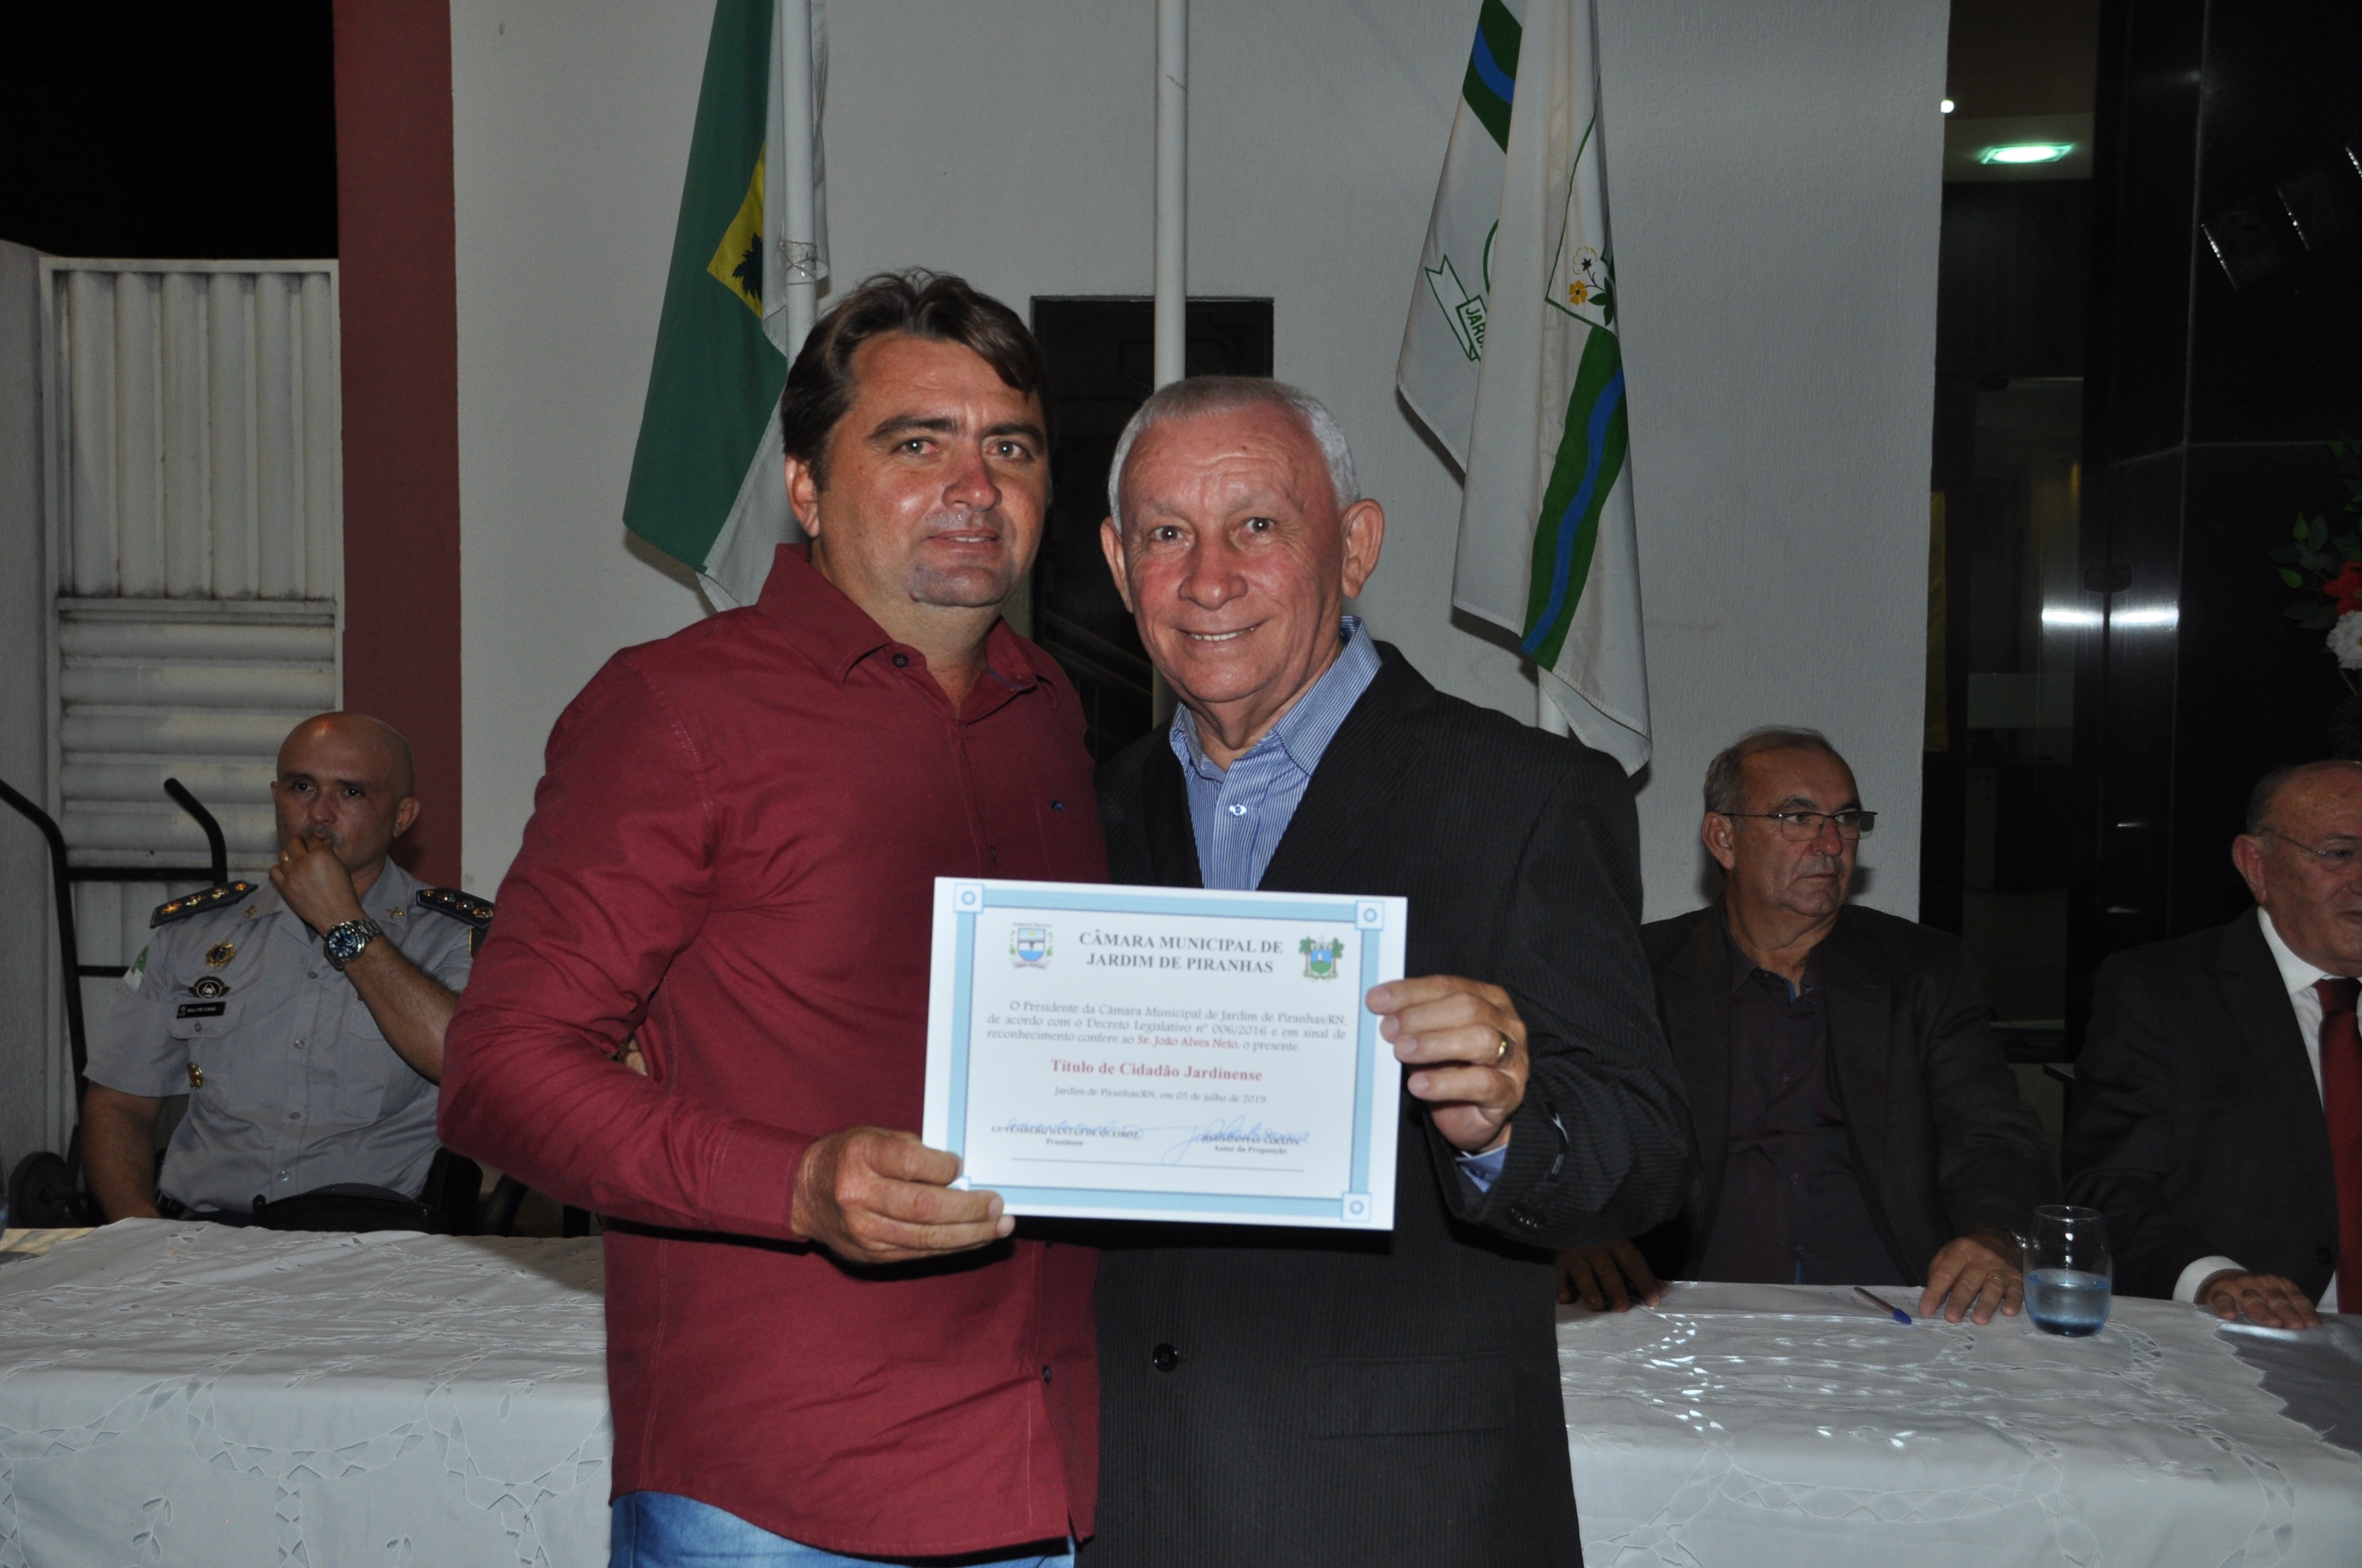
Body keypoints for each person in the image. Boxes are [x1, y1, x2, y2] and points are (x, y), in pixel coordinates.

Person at [437, 273, 1101, 1568]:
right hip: (778, 1497)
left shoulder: (1053, 714)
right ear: (804, 486)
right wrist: (793, 1184)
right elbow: (498, 1071)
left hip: (1045, 1467)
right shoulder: (678, 710)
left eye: (1011, 448)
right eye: (917, 444)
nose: (976, 487)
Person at [1084, 376, 1694, 1567]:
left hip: (1401, 1514)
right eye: (1165, 534)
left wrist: (1507, 1122)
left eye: (1257, 525)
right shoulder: (1072, 815)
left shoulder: (1524, 798)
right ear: (1118, 563)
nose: (1208, 578)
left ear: (1355, 547)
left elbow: (1651, 1151)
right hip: (1125, 1504)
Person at [1557, 728, 2056, 1325]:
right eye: (1797, 818)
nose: (1830, 843)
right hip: (1689, 1309)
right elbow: (1573, 1132)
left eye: (1845, 819)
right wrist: (1573, 1230)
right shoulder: (1641, 971)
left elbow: (1994, 1138)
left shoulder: (1923, 971)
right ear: (1723, 838)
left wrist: (1995, 1234)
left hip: (1892, 1309)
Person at [84, 712, 485, 1228]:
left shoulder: (453, 937)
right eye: (301, 787)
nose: (319, 813)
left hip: (373, 1242)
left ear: (402, 816)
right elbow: (118, 1104)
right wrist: (139, 1231)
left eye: (351, 792)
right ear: (277, 796)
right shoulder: (194, 935)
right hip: (206, 1236)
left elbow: (462, 1060)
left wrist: (343, 922)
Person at [2064, 759, 2362, 1329]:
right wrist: (2212, 1280)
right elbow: (2112, 1185)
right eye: (2339, 853)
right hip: (2246, 1335)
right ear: (2256, 864)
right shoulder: (2160, 991)